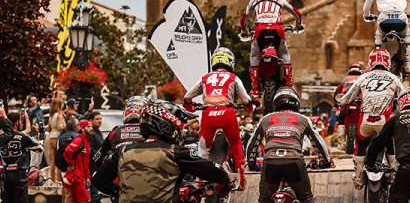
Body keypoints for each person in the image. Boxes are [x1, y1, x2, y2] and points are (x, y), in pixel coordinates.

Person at [93, 100, 231, 203]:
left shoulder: (121, 151)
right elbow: (214, 171)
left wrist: (117, 191)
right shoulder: (175, 152)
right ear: (168, 125)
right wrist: (226, 180)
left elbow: (99, 180)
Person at [246, 87, 331, 203]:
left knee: (264, 199)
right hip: (294, 161)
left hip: (270, 161)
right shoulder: (303, 119)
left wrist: (251, 164)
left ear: (275, 104)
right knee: (306, 198)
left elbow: (252, 143)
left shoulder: (265, 119)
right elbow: (318, 142)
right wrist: (325, 161)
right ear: (296, 104)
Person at [184, 46, 254, 187]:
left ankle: (201, 182)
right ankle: (241, 179)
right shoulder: (233, 77)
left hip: (208, 113)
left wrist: (190, 106)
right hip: (227, 113)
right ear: (230, 62)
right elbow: (246, 100)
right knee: (235, 144)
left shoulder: (205, 78)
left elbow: (187, 97)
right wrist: (249, 107)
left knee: (204, 149)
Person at [339, 48, 404, 189]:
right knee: (390, 144)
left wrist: (344, 102)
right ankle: (395, 175)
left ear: (371, 62)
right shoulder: (394, 78)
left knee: (360, 144)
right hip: (384, 121)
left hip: (365, 121)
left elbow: (344, 100)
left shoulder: (363, 77)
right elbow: (404, 99)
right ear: (387, 62)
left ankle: (358, 177)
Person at [240, 0, 303, 96]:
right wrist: (298, 25)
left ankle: (256, 88)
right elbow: (297, 13)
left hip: (260, 31)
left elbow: (244, 18)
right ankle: (288, 84)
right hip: (277, 30)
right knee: (284, 54)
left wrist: (245, 31)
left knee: (254, 55)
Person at [95, 96, 147, 167]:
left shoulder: (116, 131)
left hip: (120, 172)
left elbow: (97, 157)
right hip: (145, 172)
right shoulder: (149, 131)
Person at [1, 111, 41, 203]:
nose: (21, 123)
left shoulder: (2, 137)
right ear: (16, 123)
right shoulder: (22, 137)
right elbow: (38, 148)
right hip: (19, 175)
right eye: (21, 121)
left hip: (5, 175)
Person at [64, 119, 93, 203]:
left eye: (91, 127)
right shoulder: (79, 140)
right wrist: (71, 165)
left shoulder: (87, 142)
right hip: (76, 177)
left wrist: (87, 176)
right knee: (84, 199)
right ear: (82, 129)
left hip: (81, 177)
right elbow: (68, 151)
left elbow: (86, 162)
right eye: (88, 127)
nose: (91, 128)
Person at [334, 62, 363, 143]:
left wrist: (336, 102)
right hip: (360, 104)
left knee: (341, 121)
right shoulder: (363, 78)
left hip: (347, 104)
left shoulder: (345, 79)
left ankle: (342, 142)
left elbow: (337, 92)